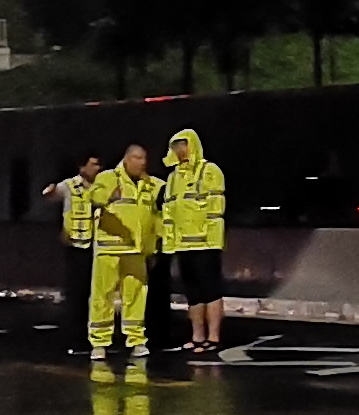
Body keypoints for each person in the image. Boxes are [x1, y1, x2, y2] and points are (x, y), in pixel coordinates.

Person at [81, 140, 157, 366]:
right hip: (109, 250)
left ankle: (136, 341)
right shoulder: (108, 178)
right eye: (138, 159)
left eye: (145, 159)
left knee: (136, 297)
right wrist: (107, 197)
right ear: (127, 159)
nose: (143, 164)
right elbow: (93, 197)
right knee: (102, 297)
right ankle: (99, 344)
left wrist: (151, 249)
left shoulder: (148, 184)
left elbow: (152, 218)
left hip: (136, 251)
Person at [159, 128, 230, 360]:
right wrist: (170, 245)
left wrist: (213, 242)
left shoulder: (210, 171)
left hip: (205, 245)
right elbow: (168, 213)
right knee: (193, 294)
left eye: (183, 145)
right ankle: (197, 336)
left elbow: (216, 211)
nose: (180, 151)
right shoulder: (173, 178)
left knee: (211, 292)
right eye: (176, 146)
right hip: (183, 246)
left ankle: (214, 338)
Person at [45, 153, 103, 348]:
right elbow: (52, 195)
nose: (97, 168)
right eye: (93, 164)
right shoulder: (70, 185)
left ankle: (92, 334)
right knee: (76, 292)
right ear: (82, 167)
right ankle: (75, 336)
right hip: (75, 245)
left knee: (94, 292)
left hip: (96, 246)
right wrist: (49, 191)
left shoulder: (101, 186)